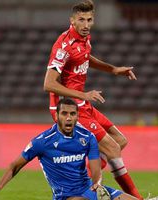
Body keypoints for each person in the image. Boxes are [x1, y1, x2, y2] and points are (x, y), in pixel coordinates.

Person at [43, 0, 144, 199]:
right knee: (113, 148)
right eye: (81, 20)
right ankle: (137, 199)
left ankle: (86, 184)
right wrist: (84, 95)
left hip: (82, 104)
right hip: (67, 109)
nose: (86, 24)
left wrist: (113, 69)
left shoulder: (85, 39)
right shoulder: (64, 46)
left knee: (119, 141)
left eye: (89, 19)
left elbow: (85, 57)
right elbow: (49, 84)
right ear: (72, 20)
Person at [0, 98, 158, 200]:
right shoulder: (42, 141)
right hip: (66, 197)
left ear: (77, 117)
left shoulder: (87, 137)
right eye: (65, 114)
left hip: (90, 189)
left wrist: (96, 182)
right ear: (57, 116)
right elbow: (15, 165)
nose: (69, 118)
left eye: (73, 114)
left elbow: (95, 166)